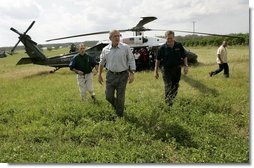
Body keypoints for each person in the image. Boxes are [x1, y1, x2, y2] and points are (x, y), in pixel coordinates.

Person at [98, 30, 136, 117]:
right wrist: (99, 75)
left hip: (123, 75)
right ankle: (119, 107)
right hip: (110, 75)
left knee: (120, 97)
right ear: (110, 38)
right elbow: (101, 62)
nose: (117, 38)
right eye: (115, 36)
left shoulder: (125, 48)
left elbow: (131, 60)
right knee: (108, 96)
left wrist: (132, 73)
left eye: (118, 36)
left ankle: (119, 115)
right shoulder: (105, 50)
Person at [154, 30, 188, 106]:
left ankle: (171, 99)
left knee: (175, 86)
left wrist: (186, 66)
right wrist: (155, 71)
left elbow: (184, 56)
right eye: (168, 38)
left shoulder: (179, 45)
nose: (169, 40)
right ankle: (168, 103)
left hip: (177, 69)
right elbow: (158, 60)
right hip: (166, 70)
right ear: (165, 38)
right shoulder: (162, 48)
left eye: (171, 38)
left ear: (174, 37)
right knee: (168, 85)